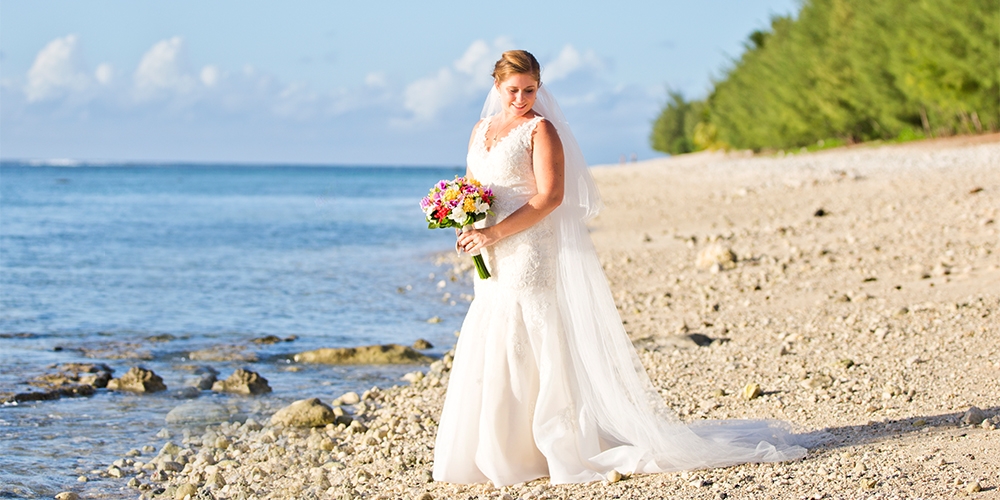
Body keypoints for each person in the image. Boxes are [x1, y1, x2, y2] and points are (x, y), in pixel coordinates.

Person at [433, 50, 807, 487]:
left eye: (530, 89)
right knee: (495, 332)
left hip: (529, 248)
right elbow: (474, 188)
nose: (521, 98)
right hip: (492, 249)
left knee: (530, 337)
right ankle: (495, 449)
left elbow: (550, 198)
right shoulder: (480, 130)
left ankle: (546, 447)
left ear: (539, 86)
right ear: (496, 87)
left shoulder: (541, 129)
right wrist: (465, 220)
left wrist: (496, 234)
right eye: (513, 90)